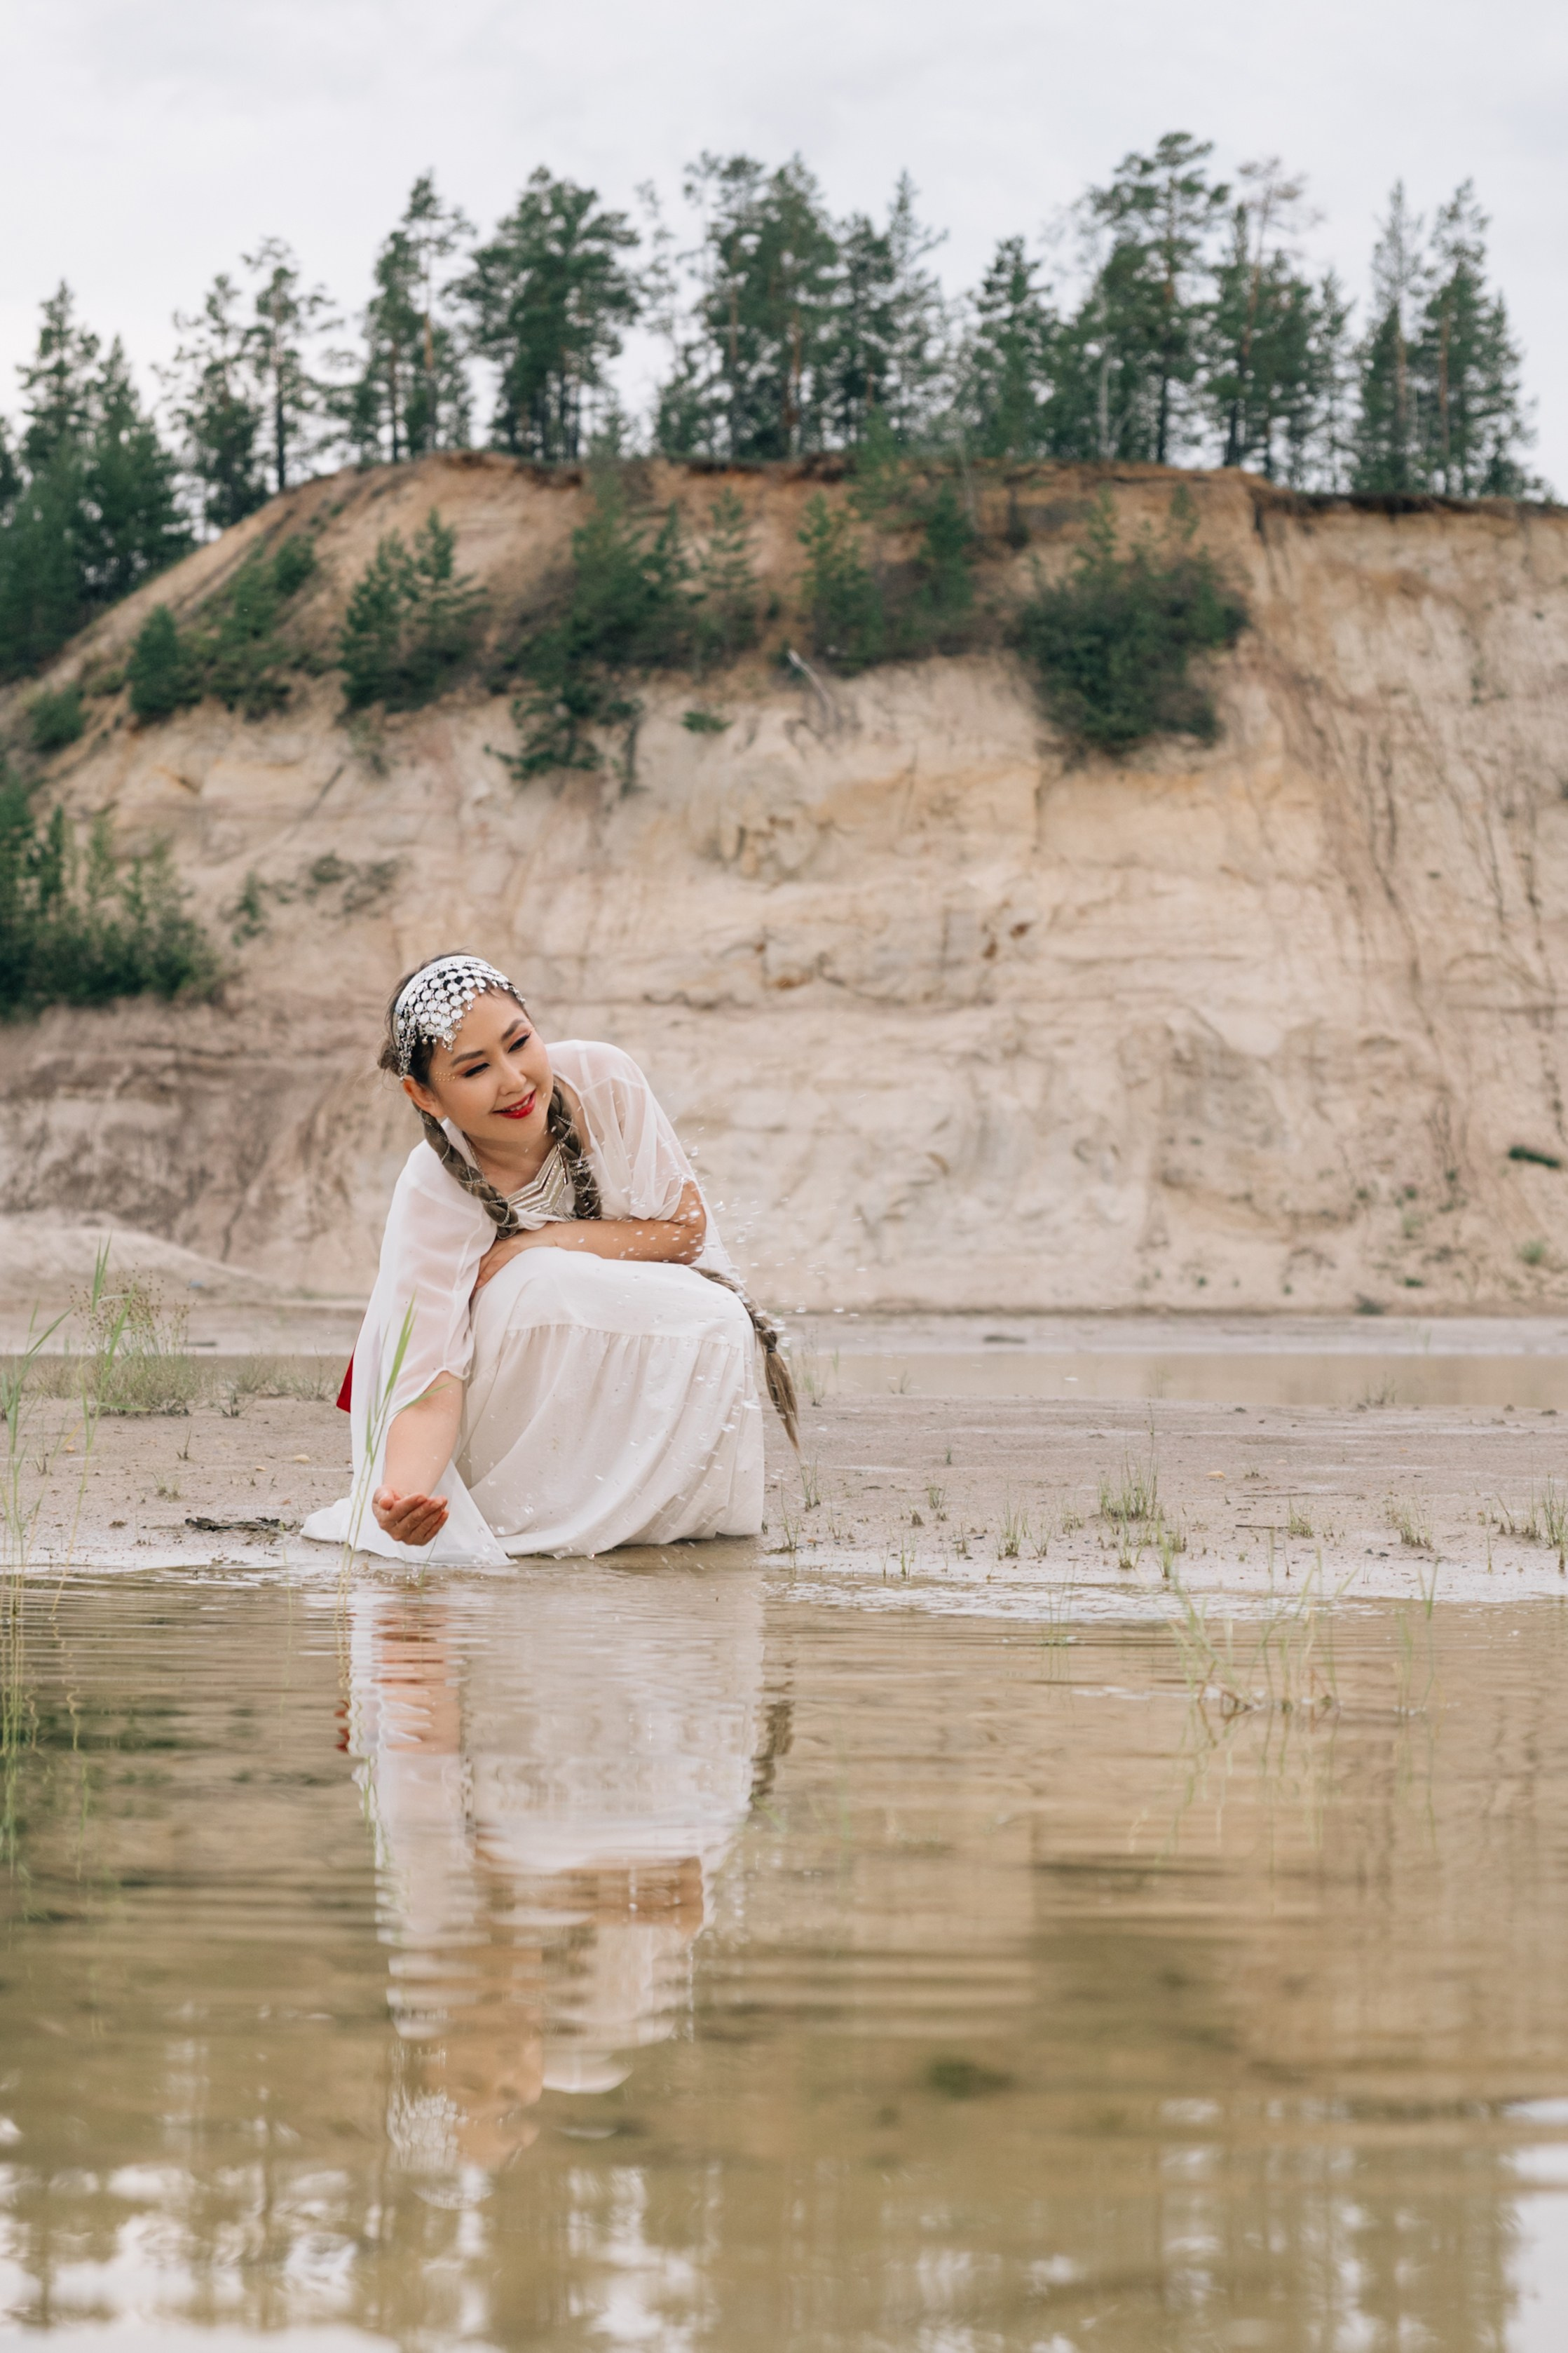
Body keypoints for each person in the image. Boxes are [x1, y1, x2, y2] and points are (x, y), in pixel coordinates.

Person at [304, 952, 794, 1565]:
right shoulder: (432, 1188)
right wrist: (403, 1497)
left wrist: (544, 1239)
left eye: (519, 1043)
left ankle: (650, 1502)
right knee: (541, 1283)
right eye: (475, 1068)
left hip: (572, 1330)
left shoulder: (603, 1077)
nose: (513, 1080)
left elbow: (684, 1232)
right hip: (473, 1391)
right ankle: (538, 1503)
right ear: (424, 1095)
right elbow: (431, 1378)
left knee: (718, 1316)